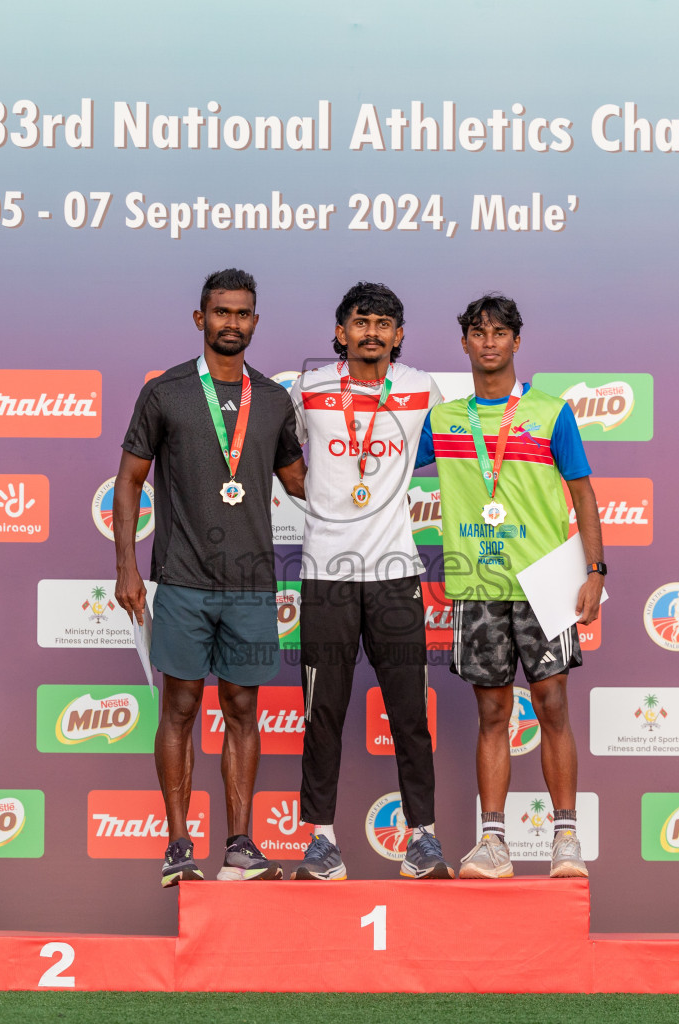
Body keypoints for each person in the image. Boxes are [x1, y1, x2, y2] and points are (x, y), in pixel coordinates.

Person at [113, 268, 307, 887]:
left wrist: (374, 475)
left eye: (242, 313)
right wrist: (126, 567)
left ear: (255, 321)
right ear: (200, 320)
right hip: (183, 580)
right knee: (180, 707)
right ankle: (177, 846)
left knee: (244, 709)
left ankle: (240, 847)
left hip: (252, 586)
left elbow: (302, 483)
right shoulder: (165, 393)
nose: (232, 322)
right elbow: (128, 481)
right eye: (220, 312)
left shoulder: (274, 400)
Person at [414, 293, 605, 879]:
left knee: (552, 706)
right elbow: (384, 465)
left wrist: (594, 571)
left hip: (545, 581)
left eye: (500, 333)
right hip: (477, 584)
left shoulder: (551, 412)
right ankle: (493, 843)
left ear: (517, 342)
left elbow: (583, 494)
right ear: (465, 343)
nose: (489, 342)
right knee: (492, 713)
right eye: (478, 332)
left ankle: (565, 839)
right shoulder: (443, 420)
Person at [287, 282, 450, 881]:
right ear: (341, 331)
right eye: (361, 322)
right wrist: (327, 501)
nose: (372, 333)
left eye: (384, 324)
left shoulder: (419, 387)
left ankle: (424, 839)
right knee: (323, 709)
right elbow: (280, 457)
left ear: (399, 336)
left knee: (409, 711)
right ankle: (320, 841)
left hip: (396, 572)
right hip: (325, 572)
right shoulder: (307, 389)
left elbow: (462, 446)